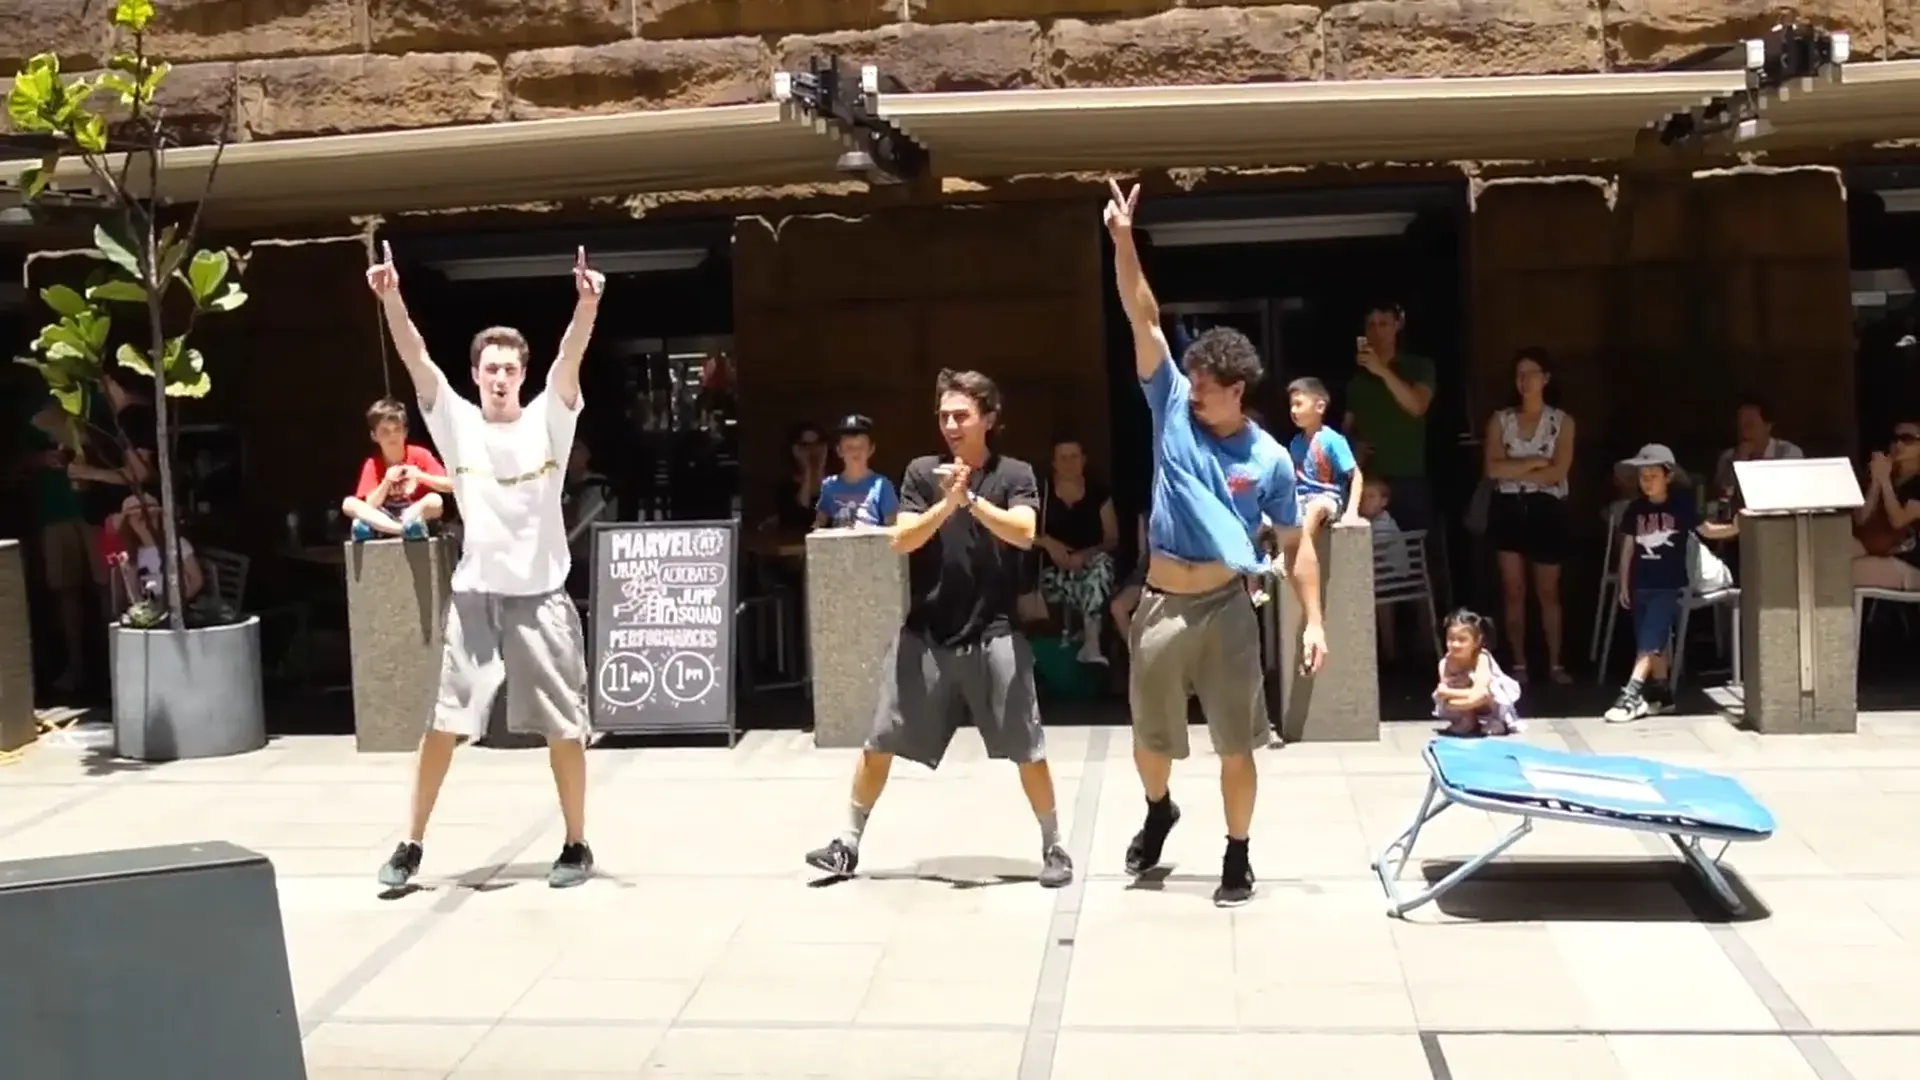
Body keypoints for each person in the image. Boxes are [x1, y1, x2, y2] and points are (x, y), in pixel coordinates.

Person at [1106, 180, 1327, 908]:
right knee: (1151, 743)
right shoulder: (1169, 403)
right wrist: (1122, 240)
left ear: (1237, 389)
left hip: (1230, 611)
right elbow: (1142, 315)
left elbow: (1295, 545)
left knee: (1238, 744)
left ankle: (1238, 855)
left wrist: (1315, 621)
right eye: (1191, 381)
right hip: (1164, 606)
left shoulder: (1266, 459)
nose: (1193, 391)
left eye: (1206, 385)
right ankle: (1160, 806)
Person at [365, 242, 604, 890]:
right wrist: (390, 295)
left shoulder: (549, 422)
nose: (500, 377)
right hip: (476, 599)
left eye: (509, 368)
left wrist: (587, 305)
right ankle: (411, 845)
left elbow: (569, 359)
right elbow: (415, 357)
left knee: (563, 725)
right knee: (443, 724)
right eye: (490, 367)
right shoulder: (458, 424)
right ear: (475, 375)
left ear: (522, 375)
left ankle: (576, 844)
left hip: (542, 595)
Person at [803, 369, 1072, 889]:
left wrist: (970, 500)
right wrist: (947, 501)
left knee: (1027, 745)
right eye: (944, 416)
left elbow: (1024, 532)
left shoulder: (1014, 472)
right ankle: (848, 842)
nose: (950, 424)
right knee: (879, 738)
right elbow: (902, 539)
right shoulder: (922, 474)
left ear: (988, 419)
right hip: (925, 632)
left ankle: (1054, 844)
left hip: (995, 631)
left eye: (961, 415)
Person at [1605, 444, 1738, 724]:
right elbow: (1628, 547)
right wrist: (1625, 583)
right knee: (1653, 640)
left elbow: (1707, 530)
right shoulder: (1635, 510)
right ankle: (1662, 695)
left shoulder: (1680, 506)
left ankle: (1631, 694)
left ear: (1668, 476)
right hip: (1641, 582)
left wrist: (1737, 527)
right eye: (1643, 476)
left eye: (1653, 475)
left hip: (1668, 583)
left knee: (1650, 641)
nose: (1647, 481)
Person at [1482, 348, 1576, 685]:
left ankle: (1554, 663)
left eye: (1532, 373)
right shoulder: (1500, 419)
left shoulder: (1561, 422)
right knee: (1513, 588)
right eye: (1519, 374)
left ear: (1546, 378)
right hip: (1508, 507)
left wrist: (1518, 468)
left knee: (1548, 590)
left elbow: (1558, 472)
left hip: (1547, 508)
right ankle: (1518, 662)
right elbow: (1493, 468)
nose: (1525, 381)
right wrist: (1535, 462)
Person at [1342, 302, 1436, 531]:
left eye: (1383, 324)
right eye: (1371, 325)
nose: (1377, 331)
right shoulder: (1357, 381)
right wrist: (1355, 446)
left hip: (1408, 476)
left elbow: (1417, 406)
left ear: (1397, 325)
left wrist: (1382, 370)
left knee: (1414, 553)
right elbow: (1346, 429)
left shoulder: (1418, 367)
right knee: (1373, 555)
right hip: (1370, 481)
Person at [24, 399, 91, 692]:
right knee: (66, 592)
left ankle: (116, 665)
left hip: (96, 511)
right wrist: (42, 459)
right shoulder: (34, 412)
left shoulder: (92, 401)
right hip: (55, 513)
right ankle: (76, 667)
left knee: (111, 588)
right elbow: (16, 461)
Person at [1037, 436, 1120, 665]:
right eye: (1063, 458)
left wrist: (1086, 555)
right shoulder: (1040, 492)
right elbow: (1020, 531)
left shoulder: (1098, 492)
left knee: (1101, 567)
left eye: (1074, 457)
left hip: (1089, 570)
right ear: (1053, 462)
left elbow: (1112, 539)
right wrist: (1047, 543)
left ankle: (1091, 644)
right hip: (1052, 574)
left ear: (1083, 460)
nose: (1069, 463)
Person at [342, 397, 449, 540]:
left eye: (397, 429)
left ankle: (392, 528)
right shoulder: (372, 463)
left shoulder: (420, 454)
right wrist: (386, 482)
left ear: (405, 432)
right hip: (384, 516)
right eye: (385, 431)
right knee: (349, 503)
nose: (392, 436)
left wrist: (420, 475)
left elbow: (450, 485)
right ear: (374, 436)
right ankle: (401, 530)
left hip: (414, 512)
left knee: (435, 500)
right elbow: (370, 504)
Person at [1285, 377, 1363, 533]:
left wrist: (1352, 511)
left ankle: (1301, 556)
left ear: (1319, 407)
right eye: (1291, 405)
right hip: (1300, 499)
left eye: (1298, 404)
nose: (1293, 410)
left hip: (1328, 499)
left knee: (1315, 509)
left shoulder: (1332, 440)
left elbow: (1356, 475)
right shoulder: (1295, 442)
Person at [1852, 418, 1920, 591]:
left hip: (1912, 563)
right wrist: (1875, 484)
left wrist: (1884, 481)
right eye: (1894, 438)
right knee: (1833, 560)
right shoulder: (1888, 477)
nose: (1898, 444)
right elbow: (1860, 519)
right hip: (1882, 555)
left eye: (1907, 439)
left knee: (1846, 573)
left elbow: (1898, 519)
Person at [1432, 609, 1524, 737]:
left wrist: (1448, 692)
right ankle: (1468, 720)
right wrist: (1451, 693)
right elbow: (1444, 696)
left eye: (1462, 640)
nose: (1455, 644)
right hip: (1465, 699)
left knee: (1484, 694)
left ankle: (1497, 721)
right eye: (1451, 639)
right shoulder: (1445, 663)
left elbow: (1481, 691)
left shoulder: (1482, 658)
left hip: (1489, 702)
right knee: (1445, 701)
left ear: (1477, 641)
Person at [1710, 395, 1803, 517]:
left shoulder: (1788, 453)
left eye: (1749, 426)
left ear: (1767, 426)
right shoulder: (1727, 458)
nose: (1744, 432)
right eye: (1740, 426)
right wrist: (1739, 463)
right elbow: (1722, 497)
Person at [113, 492, 207, 609]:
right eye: (140, 519)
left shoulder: (177, 544)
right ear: (128, 523)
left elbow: (196, 580)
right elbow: (134, 595)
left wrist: (176, 603)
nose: (147, 523)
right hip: (150, 610)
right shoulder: (129, 556)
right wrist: (147, 612)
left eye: (152, 517)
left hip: (183, 605)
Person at [813, 414, 899, 529]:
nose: (855, 452)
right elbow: (819, 524)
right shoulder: (829, 485)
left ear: (871, 449)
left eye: (861, 446)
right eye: (849, 447)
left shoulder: (882, 484)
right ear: (839, 451)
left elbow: (892, 527)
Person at [773, 421, 827, 531]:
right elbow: (799, 517)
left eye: (817, 444)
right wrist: (807, 471)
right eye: (805, 445)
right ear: (794, 449)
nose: (812, 450)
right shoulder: (786, 485)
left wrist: (820, 468)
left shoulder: (837, 481)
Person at [1109, 515, 1148, 644]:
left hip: (1177, 582)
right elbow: (1143, 556)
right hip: (1148, 579)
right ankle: (1137, 656)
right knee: (1117, 607)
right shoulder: (1145, 516)